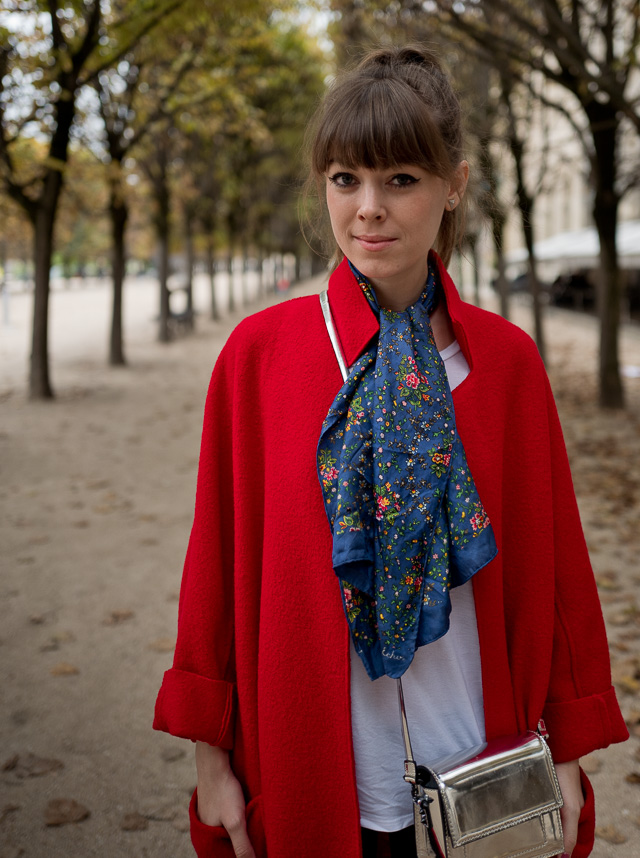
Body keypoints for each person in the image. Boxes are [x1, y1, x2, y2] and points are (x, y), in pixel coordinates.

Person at [153, 46, 628, 858]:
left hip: (484, 764)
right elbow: (217, 568)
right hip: (326, 769)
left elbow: (558, 572)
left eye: (401, 179)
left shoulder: (505, 363)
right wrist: (210, 753)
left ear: (455, 185)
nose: (369, 208)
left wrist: (572, 748)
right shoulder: (261, 358)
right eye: (346, 179)